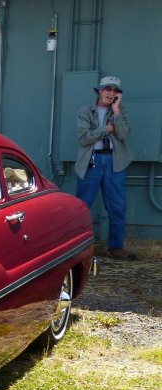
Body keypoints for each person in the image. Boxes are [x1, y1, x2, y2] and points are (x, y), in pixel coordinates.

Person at [75, 76, 136, 260]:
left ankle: (116, 247)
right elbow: (84, 138)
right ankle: (77, 248)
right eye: (108, 89)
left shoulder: (119, 111)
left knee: (117, 206)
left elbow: (123, 134)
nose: (111, 93)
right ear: (100, 90)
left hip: (113, 161)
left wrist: (116, 111)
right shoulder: (85, 111)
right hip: (91, 160)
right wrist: (105, 130)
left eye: (115, 91)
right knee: (82, 206)